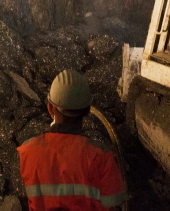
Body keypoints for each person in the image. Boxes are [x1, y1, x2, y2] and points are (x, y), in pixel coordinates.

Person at [17, 70, 128, 210]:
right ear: (88, 111)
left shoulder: (27, 152)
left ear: (50, 108)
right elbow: (114, 203)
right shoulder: (101, 156)